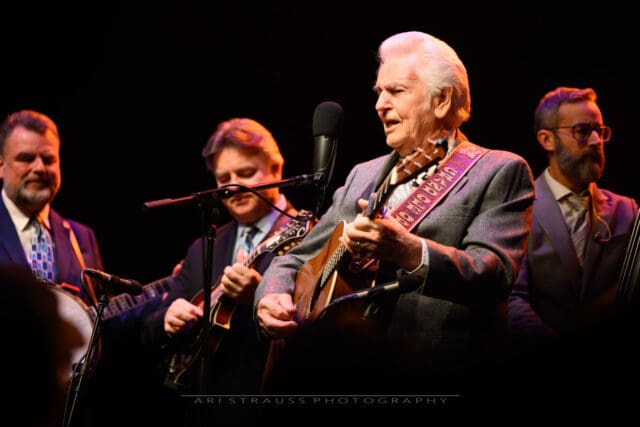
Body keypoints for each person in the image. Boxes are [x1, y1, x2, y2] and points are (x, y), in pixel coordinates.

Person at [254, 30, 535, 405]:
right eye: (378, 93)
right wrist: (271, 295)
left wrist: (409, 251)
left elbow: (495, 274)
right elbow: (296, 257)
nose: (379, 105)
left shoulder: (498, 170)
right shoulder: (362, 175)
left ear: (441, 100)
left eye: (396, 91)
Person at [142, 117, 312, 425]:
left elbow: (317, 327)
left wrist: (257, 296)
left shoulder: (311, 234)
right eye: (224, 179)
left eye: (245, 174)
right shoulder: (203, 246)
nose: (233, 187)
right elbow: (150, 330)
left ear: (276, 169)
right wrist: (168, 319)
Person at [508, 87, 639, 402]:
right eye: (582, 131)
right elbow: (512, 298)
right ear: (546, 140)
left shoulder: (629, 211)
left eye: (600, 131)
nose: (596, 141)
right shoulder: (517, 208)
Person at [0, 110, 106, 425]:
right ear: (1, 164)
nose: (39, 168)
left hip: (69, 410)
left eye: (48, 159)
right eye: (25, 158)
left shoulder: (81, 236)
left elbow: (101, 319)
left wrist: (166, 297)